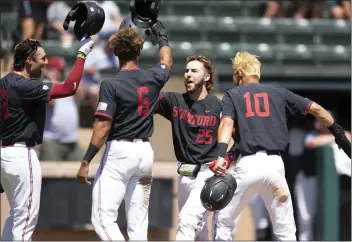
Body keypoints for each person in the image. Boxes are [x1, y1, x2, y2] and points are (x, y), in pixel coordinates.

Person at [210, 51, 351, 241]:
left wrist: (220, 155)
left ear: (240, 73)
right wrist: (338, 132)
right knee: (286, 231)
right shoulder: (278, 92)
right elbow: (316, 109)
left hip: (248, 165)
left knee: (224, 222)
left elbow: (226, 124)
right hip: (276, 165)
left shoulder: (232, 94)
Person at [76, 22, 172, 240]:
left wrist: (85, 162)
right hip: (145, 153)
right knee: (138, 225)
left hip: (120, 152)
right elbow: (167, 61)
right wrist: (162, 37)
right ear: (138, 51)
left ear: (116, 52)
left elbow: (102, 126)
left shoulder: (111, 84)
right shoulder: (153, 77)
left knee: (102, 218)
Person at [0, 37, 94, 240]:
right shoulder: (25, 86)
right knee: (25, 220)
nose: (46, 61)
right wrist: (81, 55)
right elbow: (70, 87)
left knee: (16, 217)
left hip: (5, 154)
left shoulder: (4, 83)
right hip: (21, 155)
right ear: (28, 61)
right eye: (42, 58)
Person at [157, 54, 235, 240]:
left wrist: (226, 158)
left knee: (187, 221)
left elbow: (237, 135)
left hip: (207, 174)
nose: (188, 75)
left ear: (206, 77)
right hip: (184, 174)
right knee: (198, 232)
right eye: (186, 71)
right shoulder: (175, 101)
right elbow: (146, 96)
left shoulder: (218, 105)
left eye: (194, 71)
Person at [294, 114, 351, 241]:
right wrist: (337, 137)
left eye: (322, 121)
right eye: (318, 122)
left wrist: (340, 136)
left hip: (336, 184)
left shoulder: (341, 133)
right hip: (308, 180)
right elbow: (311, 143)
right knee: (306, 217)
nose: (318, 124)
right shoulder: (311, 135)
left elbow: (348, 137)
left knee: (330, 216)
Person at [39, 56, 85, 161]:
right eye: (56, 69)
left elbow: (81, 95)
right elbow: (51, 102)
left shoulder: (69, 85)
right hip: (51, 140)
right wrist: (52, 79)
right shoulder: (44, 85)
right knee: (50, 174)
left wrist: (74, 75)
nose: (59, 72)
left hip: (72, 141)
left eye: (61, 70)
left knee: (81, 172)